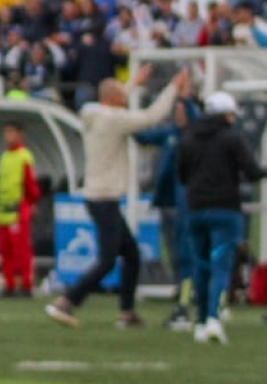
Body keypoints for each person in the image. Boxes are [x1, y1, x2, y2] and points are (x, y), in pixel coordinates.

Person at [46, 65, 186, 329]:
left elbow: (114, 99)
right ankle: (66, 301)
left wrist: (133, 82)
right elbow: (151, 116)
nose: (126, 96)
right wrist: (173, 88)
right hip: (104, 197)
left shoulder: (95, 114)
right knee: (108, 259)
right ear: (114, 98)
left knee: (131, 254)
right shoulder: (113, 120)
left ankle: (127, 312)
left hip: (99, 196)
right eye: (123, 94)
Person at [177, 90, 263, 345]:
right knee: (221, 266)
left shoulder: (189, 137)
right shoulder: (231, 138)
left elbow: (182, 174)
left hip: (195, 210)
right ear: (227, 114)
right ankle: (214, 317)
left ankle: (201, 322)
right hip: (225, 209)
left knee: (201, 266)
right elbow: (252, 171)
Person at [135, 94, 201, 331]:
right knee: (175, 253)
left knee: (190, 253)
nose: (178, 115)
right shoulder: (170, 133)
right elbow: (141, 136)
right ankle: (183, 290)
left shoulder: (195, 136)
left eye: (183, 111)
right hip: (169, 202)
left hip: (189, 204)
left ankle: (190, 299)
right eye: (177, 110)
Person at [0, 120, 41, 298]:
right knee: (5, 250)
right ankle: (9, 284)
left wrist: (32, 202)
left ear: (20, 134)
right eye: (6, 132)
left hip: (19, 211)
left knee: (21, 251)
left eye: (12, 132)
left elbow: (30, 184)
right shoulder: (4, 156)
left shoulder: (24, 156)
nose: (8, 136)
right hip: (3, 211)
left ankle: (26, 285)